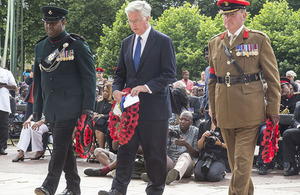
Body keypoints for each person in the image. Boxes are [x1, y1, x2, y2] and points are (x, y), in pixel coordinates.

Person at [98, 1, 176, 195]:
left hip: (155, 109)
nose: (133, 25)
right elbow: (120, 74)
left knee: (155, 155)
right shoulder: (126, 42)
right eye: (130, 21)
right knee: (124, 151)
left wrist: (147, 87)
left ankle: (155, 190)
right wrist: (116, 90)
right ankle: (117, 190)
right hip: (129, 109)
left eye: (136, 20)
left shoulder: (163, 41)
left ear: (147, 18)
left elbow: (169, 74)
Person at [208, 1, 281, 194]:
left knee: (241, 164)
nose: (227, 19)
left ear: (244, 15)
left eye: (232, 14)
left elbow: (273, 79)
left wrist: (273, 110)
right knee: (237, 165)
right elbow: (213, 80)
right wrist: (213, 110)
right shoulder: (215, 42)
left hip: (250, 112)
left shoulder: (258, 39)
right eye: (224, 15)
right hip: (224, 110)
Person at [33, 6, 96, 195]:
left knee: (59, 144)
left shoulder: (77, 45)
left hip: (72, 107)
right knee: (66, 147)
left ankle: (48, 186)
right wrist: (37, 109)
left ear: (63, 22)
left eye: (53, 23)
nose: (49, 26)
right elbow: (38, 81)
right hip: (52, 107)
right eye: (46, 23)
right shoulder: (40, 47)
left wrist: (87, 109)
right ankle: (73, 187)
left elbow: (89, 78)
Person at [141, 111, 199, 185]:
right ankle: (154, 175)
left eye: (186, 120)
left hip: (186, 167)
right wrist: (165, 137)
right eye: (181, 119)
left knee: (185, 155)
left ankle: (170, 175)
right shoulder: (172, 130)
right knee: (160, 154)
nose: (183, 122)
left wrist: (186, 144)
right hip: (171, 163)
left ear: (191, 122)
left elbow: (196, 154)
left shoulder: (195, 131)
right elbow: (161, 148)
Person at [194, 110, 228, 182]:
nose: (214, 113)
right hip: (205, 156)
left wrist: (220, 144)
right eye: (211, 110)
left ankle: (222, 172)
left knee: (212, 176)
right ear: (208, 112)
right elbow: (199, 147)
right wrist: (203, 137)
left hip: (219, 157)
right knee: (198, 175)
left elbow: (231, 147)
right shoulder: (203, 125)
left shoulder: (225, 126)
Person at [0, 56, 17, 155]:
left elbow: (15, 86)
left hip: (3, 104)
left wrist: (3, 85)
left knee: (3, 126)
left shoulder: (6, 73)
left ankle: (2, 147)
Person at [93, 83, 114, 149]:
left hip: (108, 121)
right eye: (103, 91)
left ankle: (102, 149)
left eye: (107, 91)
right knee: (94, 127)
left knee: (100, 128)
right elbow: (96, 111)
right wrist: (96, 114)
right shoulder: (99, 102)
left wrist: (103, 115)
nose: (104, 93)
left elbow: (113, 114)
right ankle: (96, 149)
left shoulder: (113, 103)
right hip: (99, 122)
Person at [282, 101, 300, 176]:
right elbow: (294, 120)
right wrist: (298, 126)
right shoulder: (298, 104)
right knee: (287, 134)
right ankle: (292, 166)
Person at [200, 46, 210, 121]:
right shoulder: (207, 70)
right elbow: (206, 88)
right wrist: (203, 104)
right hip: (208, 106)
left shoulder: (220, 69)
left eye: (208, 54)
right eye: (205, 54)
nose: (206, 56)